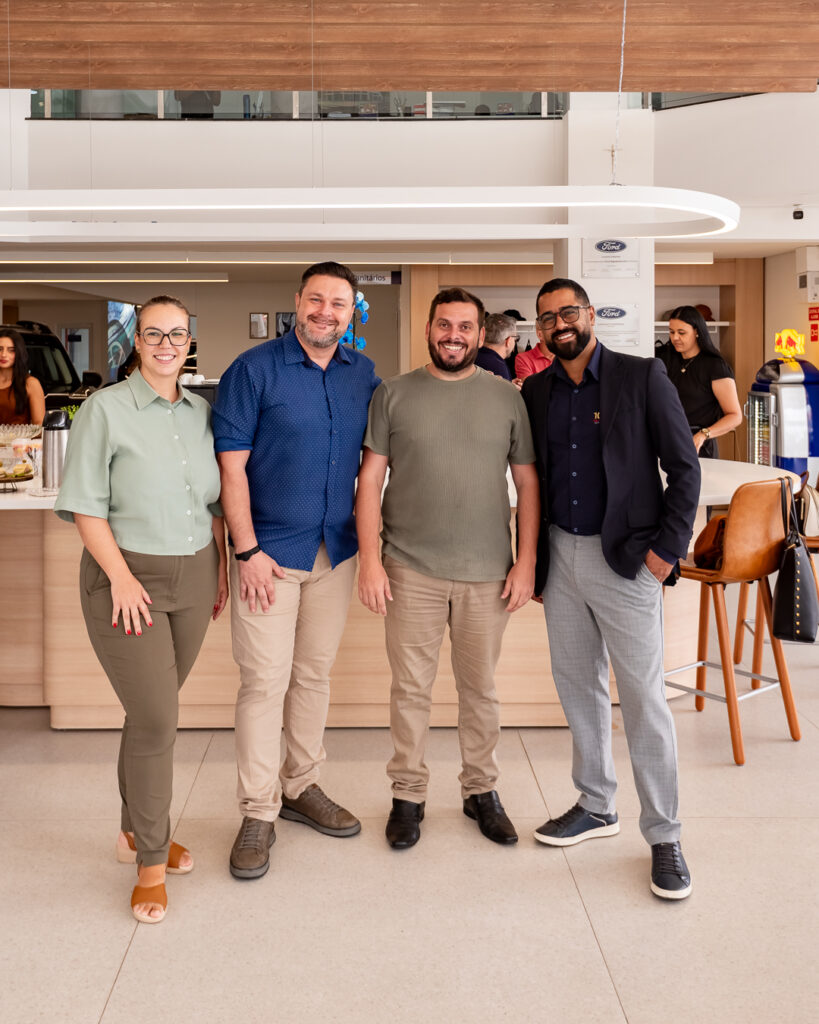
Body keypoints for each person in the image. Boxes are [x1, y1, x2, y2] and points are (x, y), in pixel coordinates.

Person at [521, 278, 700, 900]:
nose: (559, 324)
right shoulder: (537, 390)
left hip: (626, 560)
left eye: (568, 312)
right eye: (548, 318)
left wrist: (665, 553)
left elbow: (683, 468)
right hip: (562, 557)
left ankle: (664, 835)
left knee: (644, 699)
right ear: (539, 330)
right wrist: (534, 561)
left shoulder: (641, 375)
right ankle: (596, 804)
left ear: (590, 315)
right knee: (578, 687)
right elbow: (535, 478)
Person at [54, 295, 229, 924]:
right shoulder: (105, 409)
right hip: (126, 580)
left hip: (196, 575)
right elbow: (85, 506)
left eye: (177, 334)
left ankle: (134, 831)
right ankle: (151, 862)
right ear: (136, 341)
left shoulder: (201, 414)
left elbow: (213, 504)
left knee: (148, 714)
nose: (166, 345)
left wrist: (220, 569)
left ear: (189, 342)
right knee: (158, 719)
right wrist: (122, 579)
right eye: (153, 334)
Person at [212, 261, 380, 881]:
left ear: (351, 312)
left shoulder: (362, 373)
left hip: (335, 554)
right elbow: (231, 469)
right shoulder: (253, 370)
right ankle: (258, 811)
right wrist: (247, 551)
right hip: (269, 558)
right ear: (297, 302)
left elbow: (376, 461)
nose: (325, 312)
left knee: (312, 676)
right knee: (264, 682)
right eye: (316, 300)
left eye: (339, 303)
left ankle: (301, 786)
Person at [356, 286, 540, 850]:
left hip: (488, 571)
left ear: (481, 334)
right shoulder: (393, 393)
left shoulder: (507, 398)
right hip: (409, 568)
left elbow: (528, 481)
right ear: (429, 329)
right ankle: (407, 795)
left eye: (464, 327)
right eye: (444, 325)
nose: (453, 336)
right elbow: (369, 480)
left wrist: (526, 560)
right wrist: (370, 561)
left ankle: (481, 790)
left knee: (480, 689)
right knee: (410, 690)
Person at [655, 305, 743, 458]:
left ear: (696, 332)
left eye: (681, 333)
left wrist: (703, 434)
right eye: (672, 332)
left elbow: (735, 416)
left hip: (699, 446)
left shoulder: (715, 366)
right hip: (667, 440)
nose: (675, 338)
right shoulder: (664, 358)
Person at [0, 328, 45, 425]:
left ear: (19, 353)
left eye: (11, 350)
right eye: (0, 349)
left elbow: (39, 423)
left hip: (20, 435)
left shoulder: (31, 383)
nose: (3, 354)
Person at [475, 313, 517, 381]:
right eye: (515, 339)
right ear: (508, 341)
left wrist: (510, 384)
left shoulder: (473, 357)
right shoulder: (498, 367)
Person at [514, 317, 554, 382]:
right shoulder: (523, 359)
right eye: (553, 332)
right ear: (540, 335)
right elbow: (529, 387)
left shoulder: (566, 357)